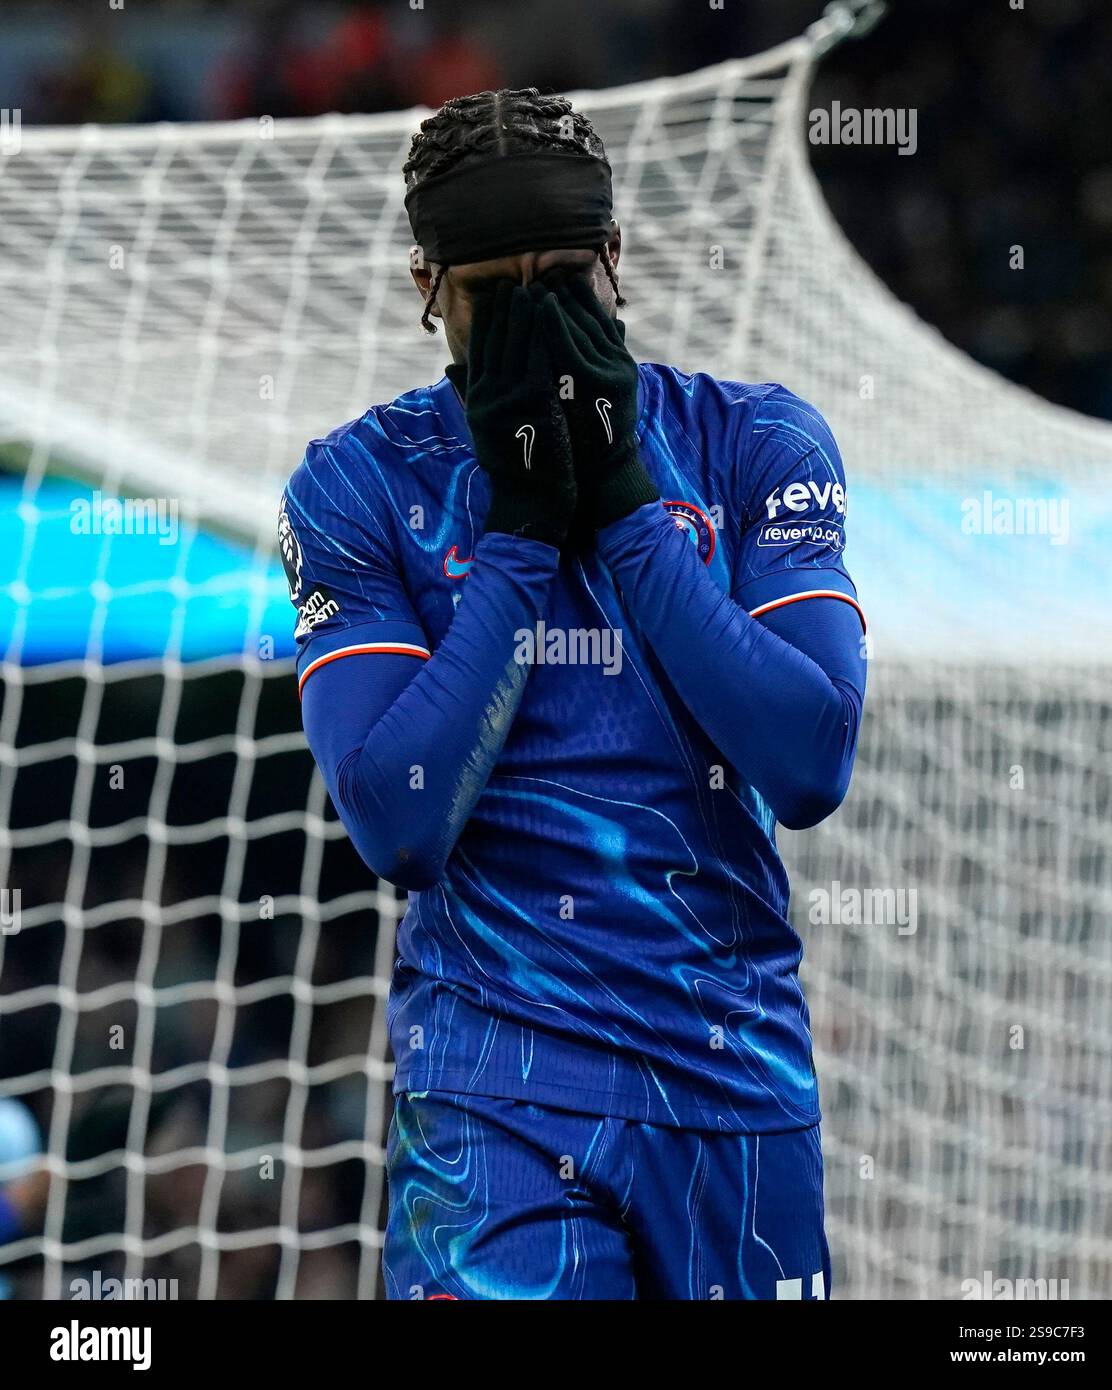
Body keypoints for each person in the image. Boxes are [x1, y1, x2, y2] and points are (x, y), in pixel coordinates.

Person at [280, 87, 867, 1300]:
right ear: (425, 291)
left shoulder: (756, 443)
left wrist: (624, 508)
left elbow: (809, 764)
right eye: (496, 297)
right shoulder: (357, 486)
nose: (535, 330)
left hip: (728, 1080)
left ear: (615, 261)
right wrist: (520, 537)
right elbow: (399, 822)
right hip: (496, 1090)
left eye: (560, 282)